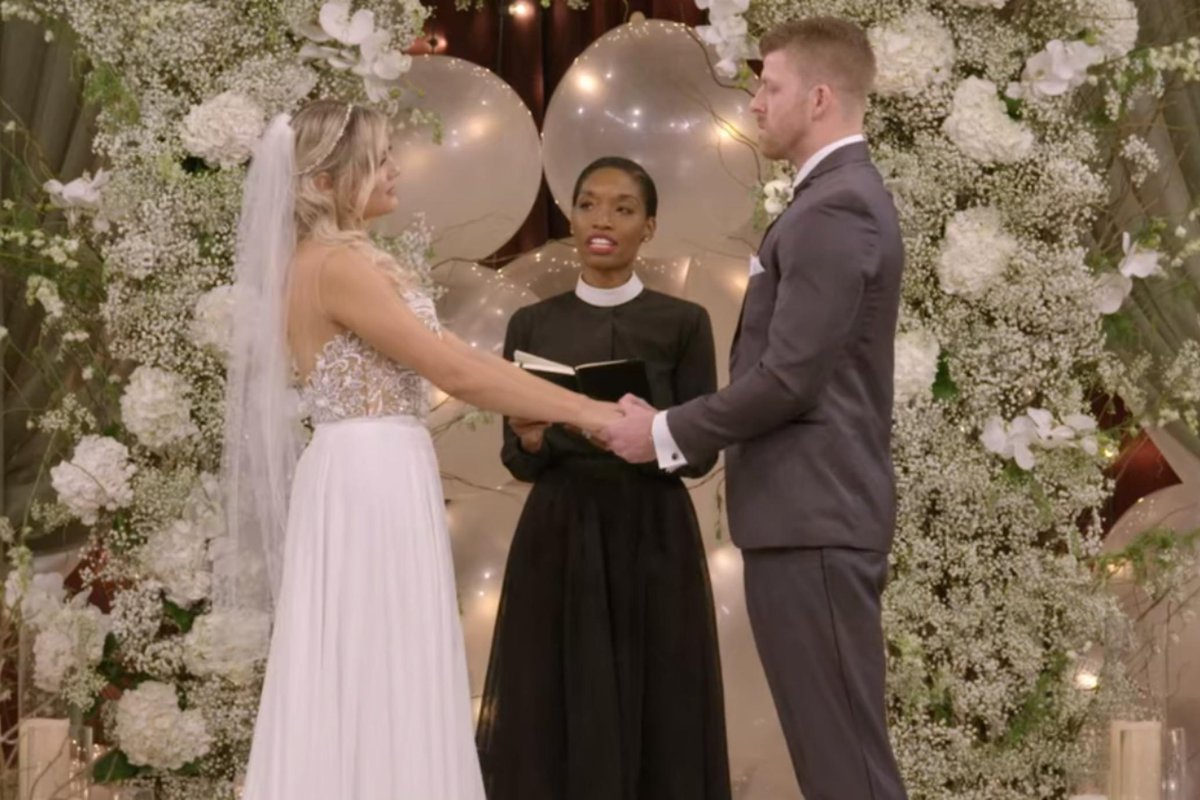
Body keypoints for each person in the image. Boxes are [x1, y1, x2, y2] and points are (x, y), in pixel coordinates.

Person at [221, 100, 620, 800]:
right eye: (377, 160)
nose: (394, 169)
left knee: (383, 653)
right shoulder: (335, 267)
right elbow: (453, 371)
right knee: (379, 653)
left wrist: (569, 404)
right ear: (324, 183)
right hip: (369, 476)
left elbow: (464, 361)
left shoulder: (335, 261)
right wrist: (592, 413)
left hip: (372, 467)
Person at [602, 18, 909, 800]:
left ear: (819, 97)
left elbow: (789, 379)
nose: (756, 103)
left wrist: (665, 430)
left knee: (845, 767)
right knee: (833, 760)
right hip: (806, 519)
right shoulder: (832, 200)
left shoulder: (836, 208)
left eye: (770, 86)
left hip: (815, 519)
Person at [475, 157, 731, 800]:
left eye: (623, 208)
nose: (602, 221)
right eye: (588, 205)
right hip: (560, 528)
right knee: (555, 692)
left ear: (650, 226)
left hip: (653, 530)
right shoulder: (531, 324)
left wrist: (650, 438)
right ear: (571, 219)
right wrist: (531, 436)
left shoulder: (684, 322)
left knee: (662, 693)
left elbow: (701, 452)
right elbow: (517, 456)